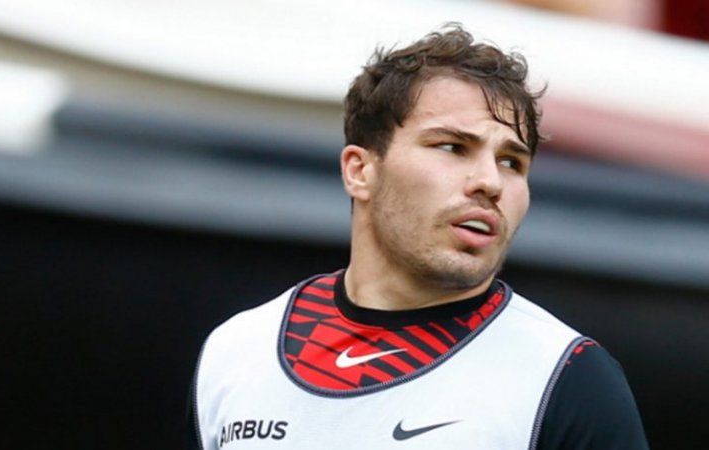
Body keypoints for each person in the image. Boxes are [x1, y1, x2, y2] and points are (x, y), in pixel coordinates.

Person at [190, 24, 649, 449]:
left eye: (512, 162)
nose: (490, 182)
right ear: (360, 170)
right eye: (452, 147)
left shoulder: (565, 375)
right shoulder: (237, 350)